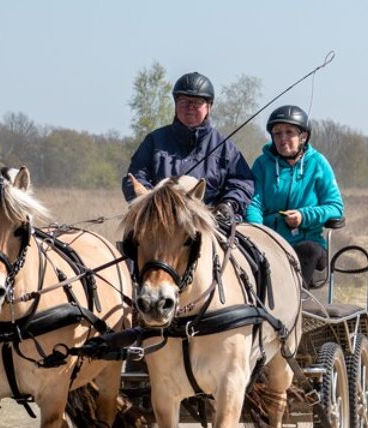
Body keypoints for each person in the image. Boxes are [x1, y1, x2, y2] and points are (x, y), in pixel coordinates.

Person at [121, 72, 253, 222]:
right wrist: (150, 202)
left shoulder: (225, 146)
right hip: (160, 221)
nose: (190, 107)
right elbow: (135, 177)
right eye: (184, 101)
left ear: (209, 107)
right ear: (176, 105)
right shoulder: (154, 141)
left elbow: (242, 182)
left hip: (211, 222)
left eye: (197, 102)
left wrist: (229, 204)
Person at [245, 105, 344, 289]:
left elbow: (335, 207)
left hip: (308, 246)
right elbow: (254, 203)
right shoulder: (262, 164)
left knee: (307, 251)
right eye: (277, 133)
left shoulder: (318, 163)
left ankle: (296, 302)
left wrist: (303, 216)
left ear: (303, 136)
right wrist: (258, 231)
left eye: (289, 132)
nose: (282, 139)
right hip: (269, 242)